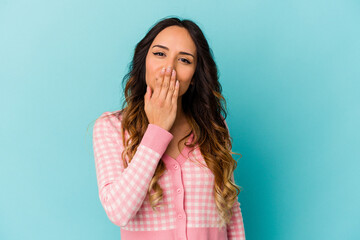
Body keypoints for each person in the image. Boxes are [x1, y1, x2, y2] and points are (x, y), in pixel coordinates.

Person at [92, 17, 246, 240]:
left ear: (194, 76)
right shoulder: (112, 127)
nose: (169, 68)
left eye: (184, 60)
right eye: (159, 54)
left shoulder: (214, 126)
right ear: (144, 61)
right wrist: (157, 130)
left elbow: (230, 209)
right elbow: (118, 211)